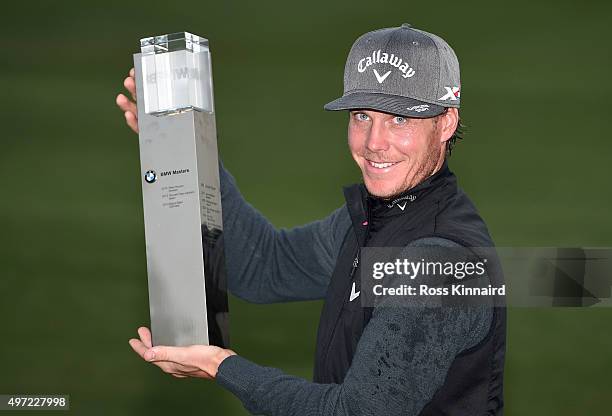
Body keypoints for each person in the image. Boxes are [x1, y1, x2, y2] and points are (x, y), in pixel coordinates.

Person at [118, 23, 506, 415]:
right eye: (361, 115)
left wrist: (222, 367)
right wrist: (187, 144)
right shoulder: (373, 219)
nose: (373, 142)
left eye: (399, 119)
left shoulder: (440, 261)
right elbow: (264, 265)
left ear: (446, 123)